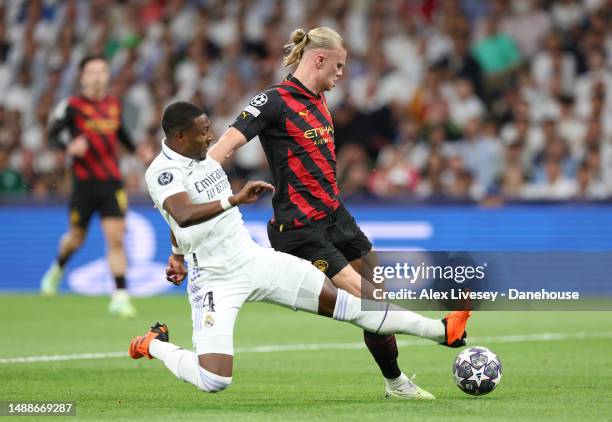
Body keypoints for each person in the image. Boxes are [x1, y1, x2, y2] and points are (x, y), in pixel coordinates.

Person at [130, 101, 470, 398]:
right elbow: (182, 213)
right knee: (214, 379)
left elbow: (178, 222)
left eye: (209, 129)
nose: (210, 137)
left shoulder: (203, 156)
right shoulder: (163, 172)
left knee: (351, 306)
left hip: (255, 260)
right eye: (203, 132)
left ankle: (442, 330)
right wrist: (233, 199)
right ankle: (154, 344)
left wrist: (176, 253)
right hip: (215, 280)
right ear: (179, 138)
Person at [207, 27, 432, 398]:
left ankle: (394, 382)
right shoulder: (273, 100)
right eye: (339, 66)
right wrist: (196, 181)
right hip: (301, 225)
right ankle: (415, 360)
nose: (341, 74)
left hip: (335, 215)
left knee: (376, 293)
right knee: (370, 301)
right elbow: (226, 145)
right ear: (319, 59)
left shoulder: (318, 99)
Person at [40, 54, 137, 318]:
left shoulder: (114, 104)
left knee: (116, 238)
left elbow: (122, 136)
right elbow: (50, 136)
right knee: (76, 238)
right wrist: (67, 147)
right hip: (83, 184)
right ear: (82, 76)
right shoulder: (71, 106)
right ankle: (57, 269)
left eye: (102, 71)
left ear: (107, 75)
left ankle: (120, 296)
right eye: (92, 71)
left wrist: (139, 151)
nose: (97, 76)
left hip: (111, 183)